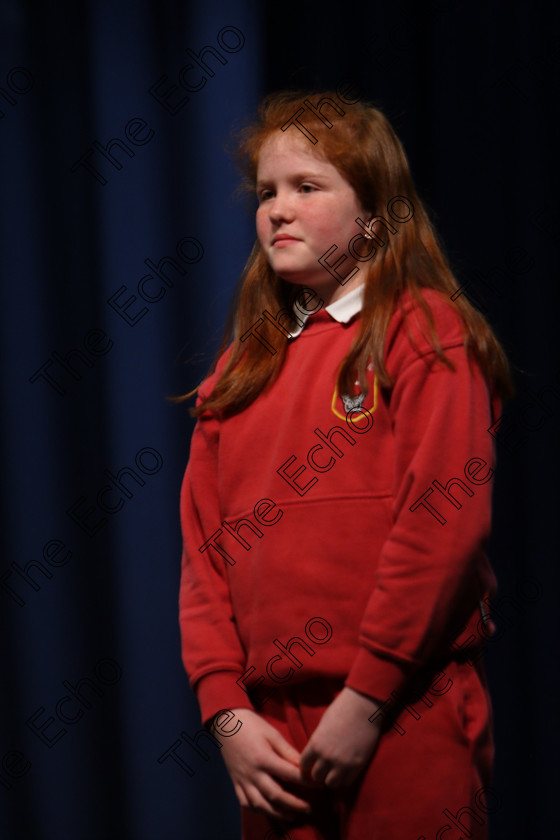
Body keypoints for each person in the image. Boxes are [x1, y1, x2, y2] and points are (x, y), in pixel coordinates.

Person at [177, 89, 512, 840]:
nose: (277, 210)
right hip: (272, 733)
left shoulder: (424, 334)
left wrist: (367, 700)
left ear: (373, 214)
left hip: (402, 708)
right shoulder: (239, 373)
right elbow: (205, 561)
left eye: (307, 186)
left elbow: (443, 529)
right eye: (267, 192)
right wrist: (227, 713)